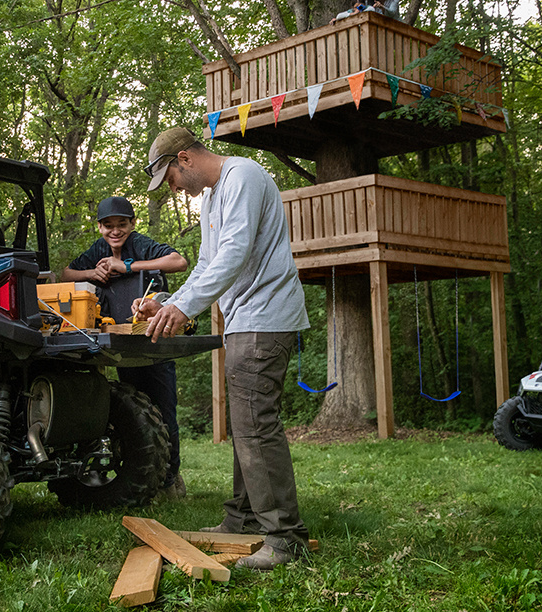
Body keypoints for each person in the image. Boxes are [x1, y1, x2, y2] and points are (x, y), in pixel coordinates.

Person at [135, 127, 310, 571]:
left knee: (256, 425)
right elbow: (209, 265)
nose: (174, 189)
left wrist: (185, 307)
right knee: (246, 423)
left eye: (170, 178)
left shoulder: (244, 177)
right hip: (244, 321)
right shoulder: (213, 198)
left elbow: (234, 254)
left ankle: (286, 539)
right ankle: (245, 519)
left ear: (185, 158)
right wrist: (170, 303)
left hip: (265, 318)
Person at [61, 196, 189, 498]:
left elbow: (178, 262)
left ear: (132, 224)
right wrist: (93, 273)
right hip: (119, 341)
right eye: (108, 226)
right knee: (132, 410)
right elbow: (66, 274)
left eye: (121, 225)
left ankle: (171, 480)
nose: (114, 231)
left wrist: (127, 265)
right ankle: (148, 474)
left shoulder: (140, 244)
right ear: (100, 226)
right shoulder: (98, 250)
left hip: (153, 339)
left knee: (164, 409)